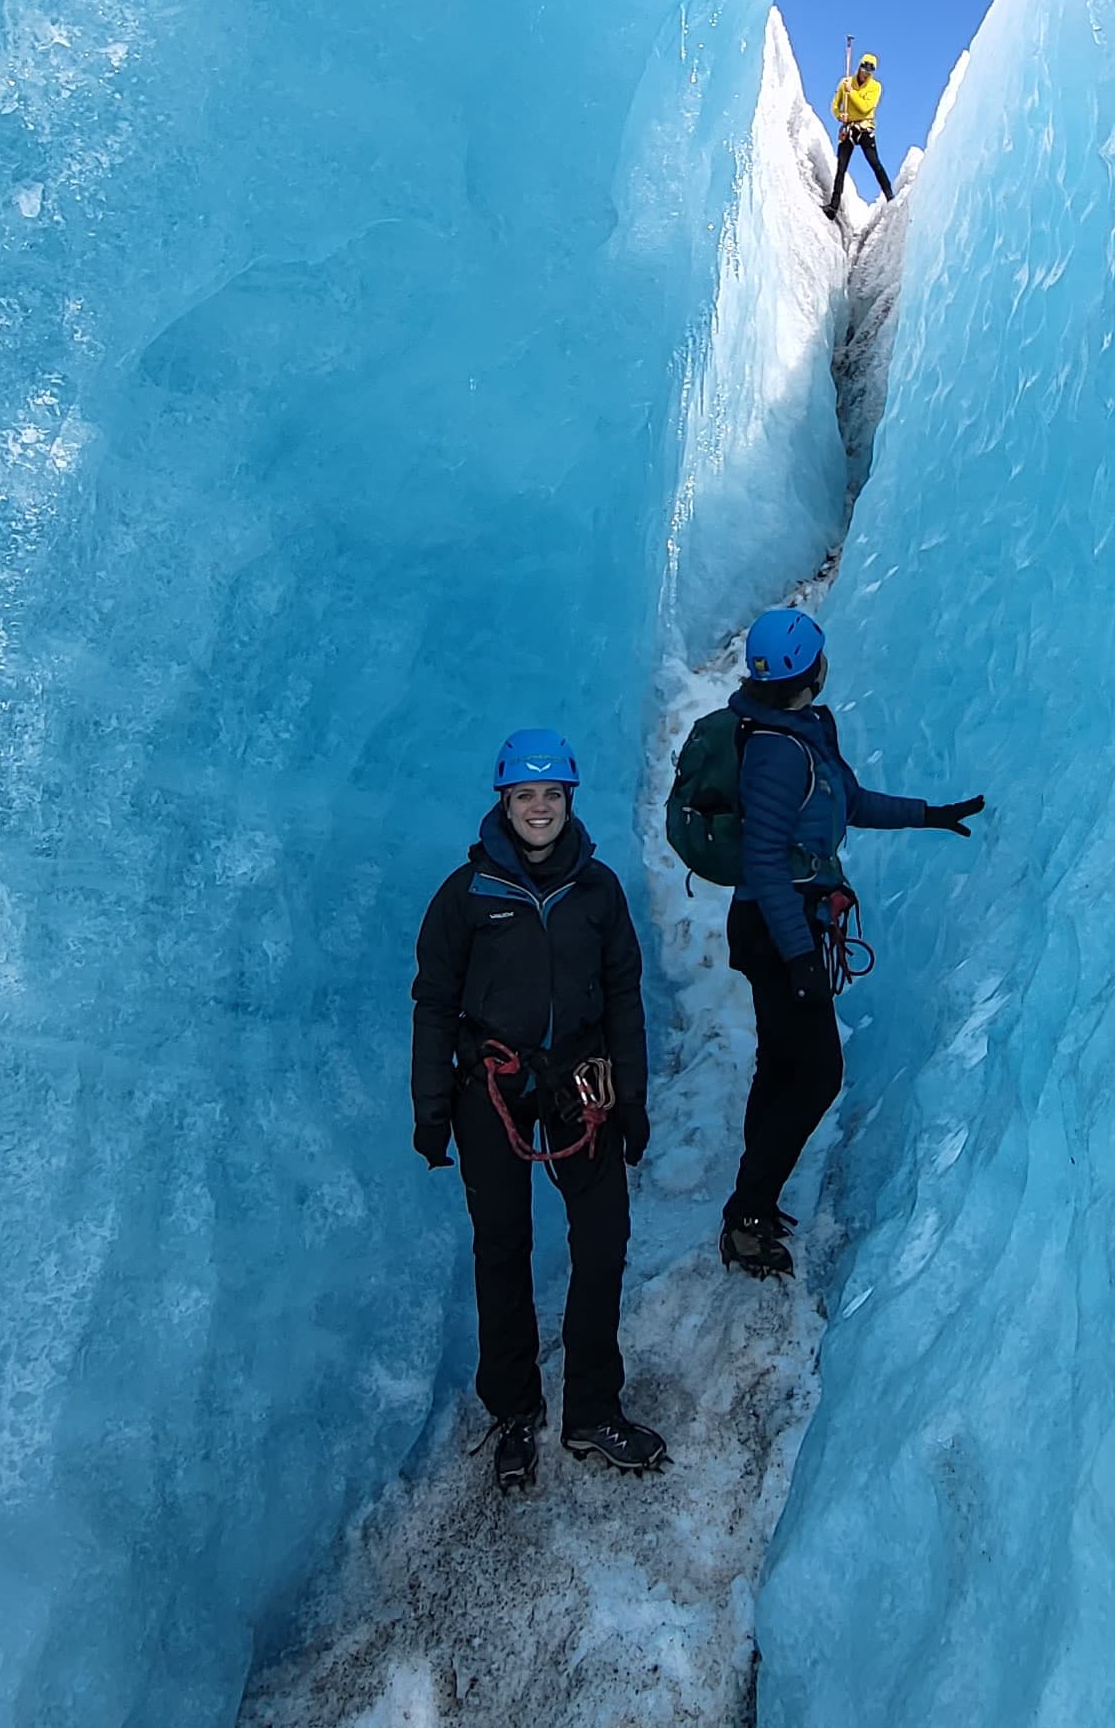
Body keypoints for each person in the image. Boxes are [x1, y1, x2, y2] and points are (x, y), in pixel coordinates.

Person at [411, 729, 668, 1491]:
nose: (539, 808)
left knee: (603, 1239)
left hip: (579, 1084)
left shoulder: (598, 890)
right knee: (502, 1248)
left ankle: (591, 1408)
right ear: (504, 801)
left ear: (569, 799)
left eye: (551, 794)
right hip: (490, 1088)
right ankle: (516, 1409)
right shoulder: (467, 896)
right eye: (525, 795)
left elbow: (623, 995)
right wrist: (432, 1106)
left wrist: (632, 1097)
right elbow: (435, 1002)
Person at [718, 606, 981, 1276]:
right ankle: (747, 1216)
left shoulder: (801, 731)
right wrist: (800, 957)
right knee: (816, 1076)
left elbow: (849, 801)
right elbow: (765, 864)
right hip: (778, 929)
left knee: (783, 1065)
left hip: (786, 924)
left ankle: (752, 1201)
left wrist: (928, 815)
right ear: (813, 670)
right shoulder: (777, 752)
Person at [826, 51, 892, 215]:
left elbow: (864, 108)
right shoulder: (846, 83)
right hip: (849, 128)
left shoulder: (875, 87)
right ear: (860, 67)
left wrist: (852, 92)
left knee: (874, 162)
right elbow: (835, 105)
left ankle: (890, 197)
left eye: (869, 72)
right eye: (864, 70)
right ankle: (833, 206)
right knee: (841, 167)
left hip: (864, 128)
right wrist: (839, 115)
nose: (866, 74)